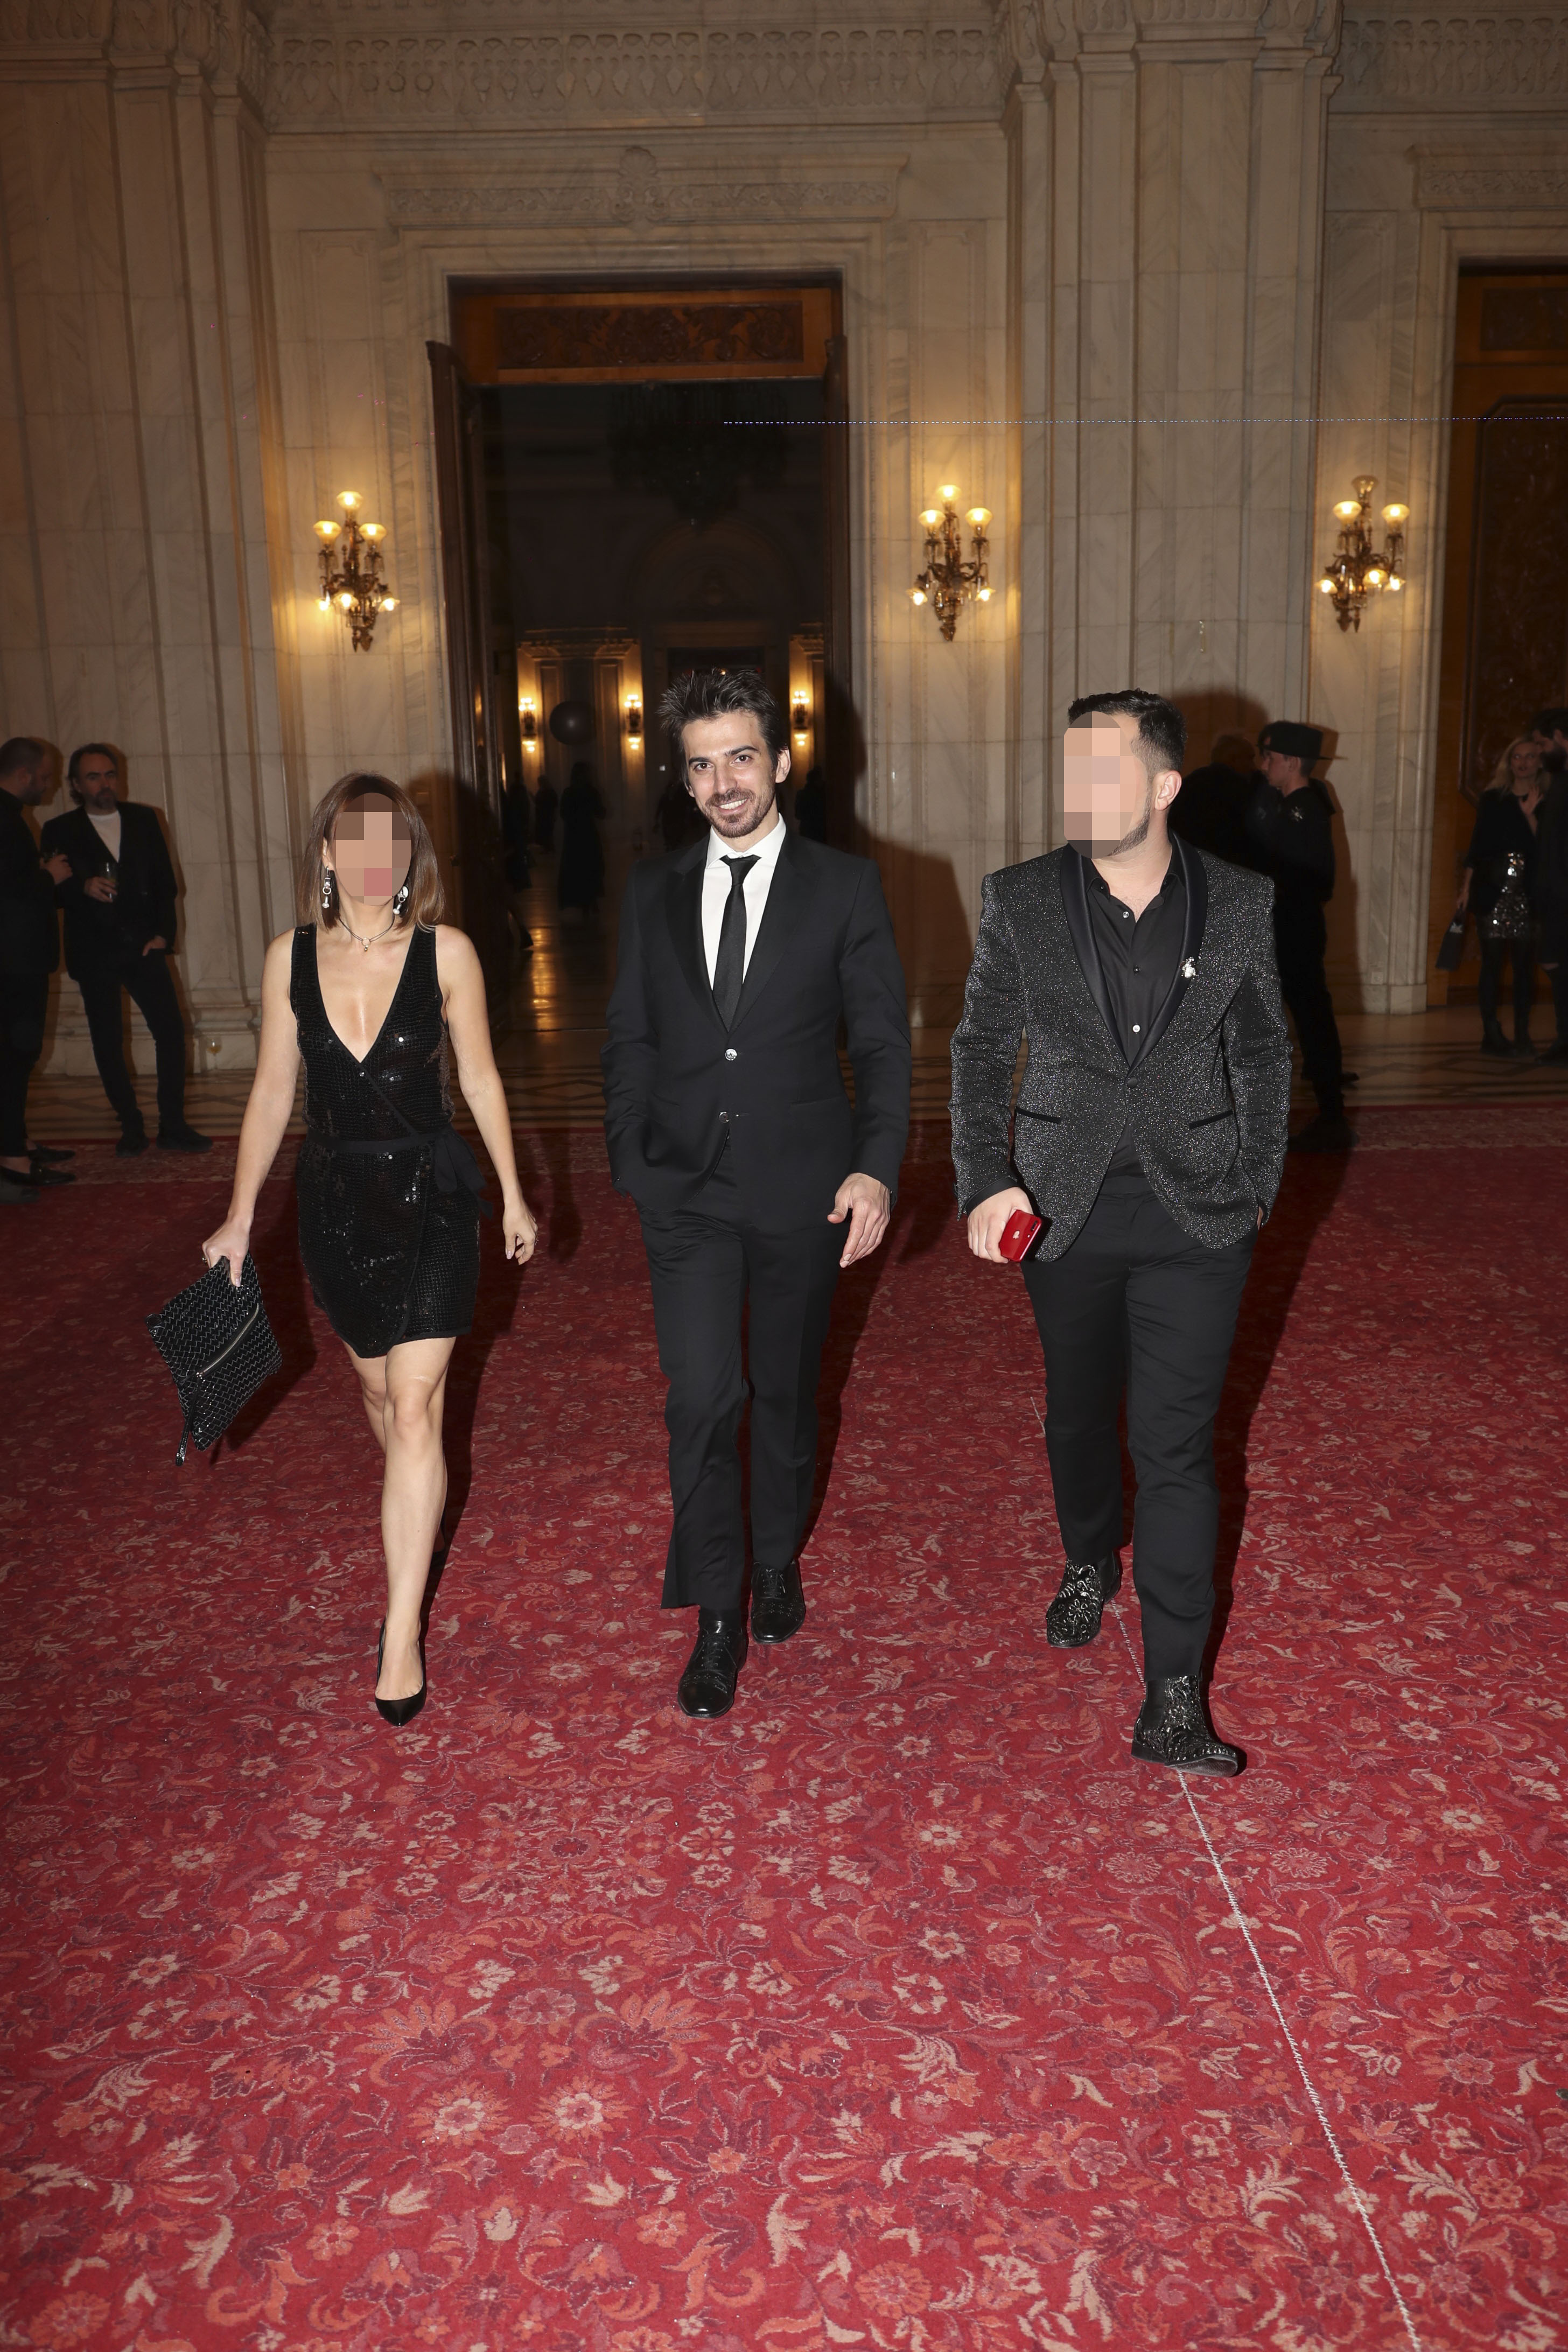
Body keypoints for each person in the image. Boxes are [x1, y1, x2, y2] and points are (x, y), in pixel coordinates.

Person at [951, 688, 1290, 1776]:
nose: (1077, 791)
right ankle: (1088, 1555)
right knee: (1077, 1411)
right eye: (1070, 770)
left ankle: (1173, 1697)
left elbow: (1262, 1049)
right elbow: (978, 1049)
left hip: (1199, 1210)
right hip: (1063, 1204)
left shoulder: (1238, 900)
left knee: (1177, 1445)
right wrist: (985, 1180)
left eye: (1101, 771)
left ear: (1162, 785)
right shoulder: (1019, 898)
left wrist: (1255, 1184)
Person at [603, 669, 910, 1721]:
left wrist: (875, 1165)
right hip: (684, 1186)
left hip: (802, 1184)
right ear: (684, 779)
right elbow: (629, 1035)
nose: (723, 782)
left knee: (782, 1392)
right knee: (702, 1396)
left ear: (780, 761)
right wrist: (630, 1155)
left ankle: (775, 1554)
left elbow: (881, 1043)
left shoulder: (845, 886)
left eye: (741, 757)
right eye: (701, 765)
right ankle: (716, 1614)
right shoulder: (651, 889)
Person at [202, 774, 536, 1727]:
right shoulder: (288, 957)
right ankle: (418, 1506)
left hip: (434, 1196)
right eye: (355, 840)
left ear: (409, 855)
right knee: (382, 1396)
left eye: (391, 841)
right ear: (327, 854)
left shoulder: (447, 951)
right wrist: (238, 1216)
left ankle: (401, 1633)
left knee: (418, 1404)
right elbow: (274, 1090)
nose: (373, 858)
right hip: (336, 1203)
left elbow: (480, 1076)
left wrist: (514, 1193)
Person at [40, 744, 209, 1156]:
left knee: (170, 1032)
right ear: (76, 784)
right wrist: (81, 887)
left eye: (110, 774)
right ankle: (130, 1125)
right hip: (93, 952)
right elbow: (49, 893)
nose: (105, 783)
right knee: (108, 1040)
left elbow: (167, 885)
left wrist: (164, 936)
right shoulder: (59, 829)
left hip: (145, 946)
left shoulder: (144, 819)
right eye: (94, 776)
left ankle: (173, 1124)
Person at [1243, 720, 1350, 1152]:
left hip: (1295, 930)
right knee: (1301, 1020)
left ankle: (1332, 1117)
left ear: (1290, 762)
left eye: (1269, 757)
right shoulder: (1291, 804)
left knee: (1311, 1019)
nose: (1263, 765)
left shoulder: (1303, 809)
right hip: (1285, 927)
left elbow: (1312, 880)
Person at [0, 737, 76, 1203]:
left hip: (15, 961)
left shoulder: (11, 816)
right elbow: (10, 893)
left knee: (16, 1058)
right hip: (13, 964)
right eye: (45, 777)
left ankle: (18, 1142)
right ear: (24, 774)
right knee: (15, 1059)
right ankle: (13, 1158)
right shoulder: (6, 819)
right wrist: (50, 875)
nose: (48, 786)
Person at [1457, 736, 1543, 1057]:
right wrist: (1465, 889)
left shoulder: (1548, 798)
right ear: (1509, 762)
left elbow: (1549, 849)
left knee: (1524, 968)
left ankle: (1522, 1033)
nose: (1523, 763)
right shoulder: (1493, 798)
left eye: (1530, 757)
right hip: (1491, 889)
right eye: (1517, 757)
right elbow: (1477, 846)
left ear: (1539, 762)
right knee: (1492, 965)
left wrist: (1531, 815)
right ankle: (1491, 1033)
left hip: (1528, 892)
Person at [1167, 731, 1254, 866]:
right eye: (1249, 758)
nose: (1254, 766)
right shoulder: (1241, 790)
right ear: (1234, 759)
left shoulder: (1190, 782)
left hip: (1189, 862)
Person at [1535, 746, 1568, 1063]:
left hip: (1559, 892)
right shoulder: (1555, 787)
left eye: (1543, 744)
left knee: (1555, 960)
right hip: (1551, 892)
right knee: (1552, 961)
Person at [556, 761, 606, 918]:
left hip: (574, 837)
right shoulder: (591, 792)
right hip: (588, 835)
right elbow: (601, 813)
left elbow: (563, 814)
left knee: (576, 868)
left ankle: (582, 901)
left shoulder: (568, 793)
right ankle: (591, 900)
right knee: (591, 867)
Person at [501, 777, 535, 958]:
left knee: (506, 899)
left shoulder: (505, 812)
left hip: (505, 860)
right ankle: (517, 932)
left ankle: (515, 932)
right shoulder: (507, 810)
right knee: (508, 900)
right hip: (507, 859)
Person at [794, 765, 828, 845]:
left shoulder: (802, 794)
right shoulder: (821, 794)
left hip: (807, 830)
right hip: (818, 830)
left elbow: (797, 815)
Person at [533, 776, 559, 853]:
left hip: (547, 815)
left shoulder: (550, 792)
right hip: (542, 815)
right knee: (544, 832)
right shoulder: (542, 791)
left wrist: (555, 814)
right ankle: (547, 848)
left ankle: (550, 848)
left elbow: (555, 804)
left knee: (548, 831)